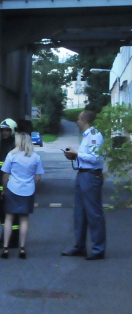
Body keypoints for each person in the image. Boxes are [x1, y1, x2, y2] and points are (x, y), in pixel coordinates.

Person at [62, 110, 106, 260]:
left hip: (91, 176)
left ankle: (98, 249)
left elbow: (96, 158)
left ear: (84, 120)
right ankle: (79, 247)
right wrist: (73, 156)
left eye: (79, 119)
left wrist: (77, 153)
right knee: (79, 213)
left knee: (94, 213)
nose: (77, 121)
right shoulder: (87, 136)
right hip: (83, 174)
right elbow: (87, 157)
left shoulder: (94, 135)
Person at [0, 132, 44, 259]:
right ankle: (22, 248)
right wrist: (33, 186)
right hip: (28, 191)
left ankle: (5, 248)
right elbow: (38, 178)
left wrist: (4, 189)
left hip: (13, 188)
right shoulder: (36, 157)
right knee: (24, 219)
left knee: (9, 218)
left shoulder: (12, 155)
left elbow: (5, 175)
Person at [0, 119, 19, 248]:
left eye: (7, 130)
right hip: (0, 183)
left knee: (12, 213)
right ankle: (5, 236)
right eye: (3, 130)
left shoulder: (14, 145)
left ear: (12, 131)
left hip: (9, 185)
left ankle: (13, 240)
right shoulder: (3, 143)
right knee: (2, 213)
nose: (4, 132)